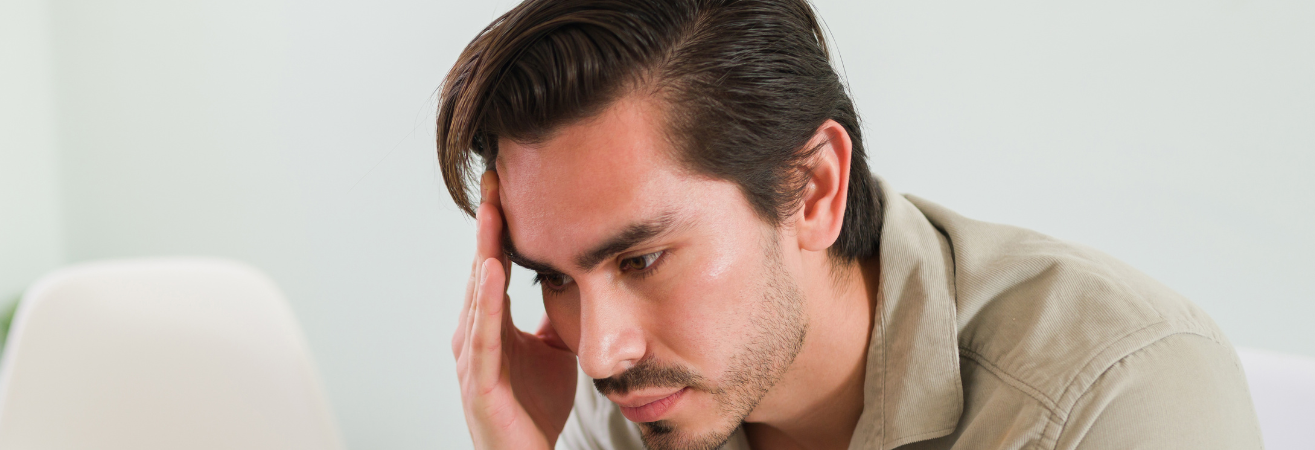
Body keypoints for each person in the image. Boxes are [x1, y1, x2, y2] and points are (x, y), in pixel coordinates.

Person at [437, 1, 1264, 449]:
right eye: (554, 277)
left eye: (642, 259)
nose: (598, 353)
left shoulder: (1118, 396)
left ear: (813, 189)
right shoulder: (636, 401)